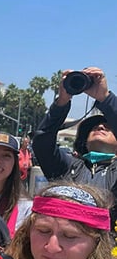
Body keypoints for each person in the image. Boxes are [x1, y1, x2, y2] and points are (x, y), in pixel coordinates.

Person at [33, 67, 117, 221]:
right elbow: (42, 142)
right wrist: (62, 102)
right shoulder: (68, 166)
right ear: (84, 142)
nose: (100, 127)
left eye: (108, 127)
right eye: (93, 127)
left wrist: (105, 98)